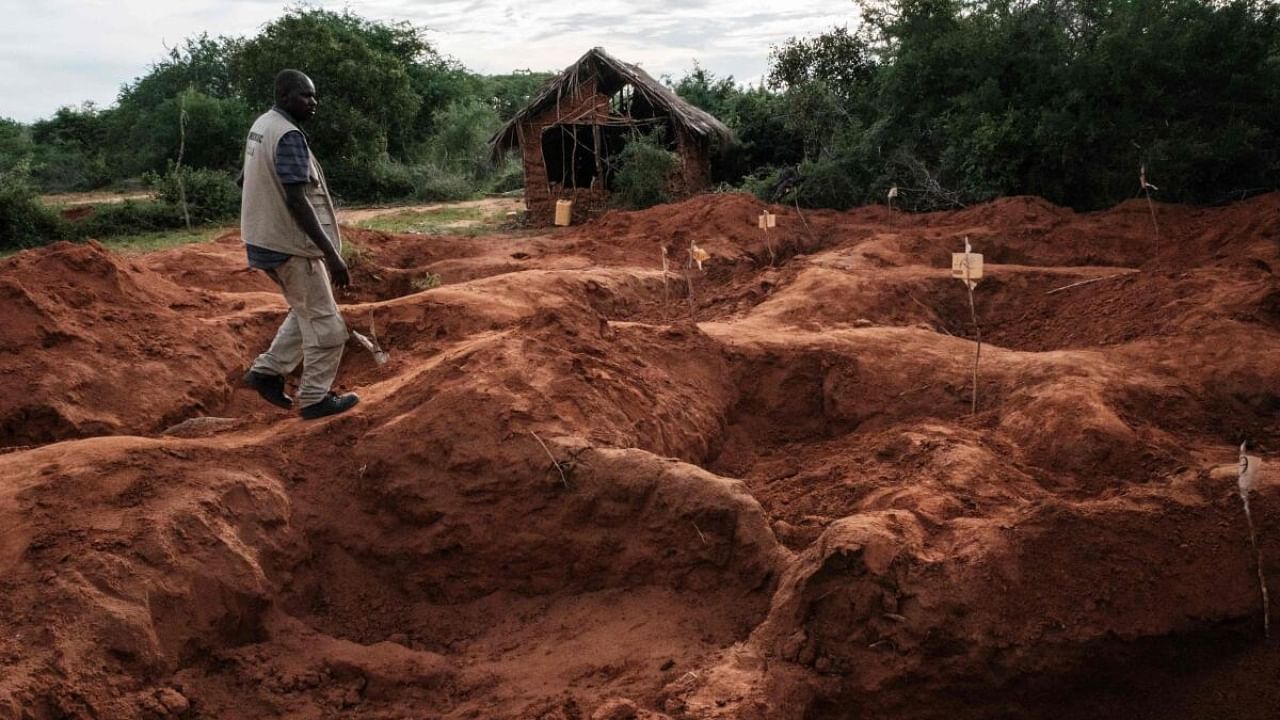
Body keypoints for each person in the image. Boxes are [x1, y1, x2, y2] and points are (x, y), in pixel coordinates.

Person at [240, 69, 359, 419]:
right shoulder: (288, 135)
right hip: (290, 246)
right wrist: (331, 255)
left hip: (262, 239)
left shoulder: (263, 126)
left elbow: (244, 177)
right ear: (285, 95)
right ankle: (314, 399)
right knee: (329, 328)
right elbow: (297, 200)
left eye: (314, 95)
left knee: (305, 309)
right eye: (306, 96)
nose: (313, 102)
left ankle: (266, 372)